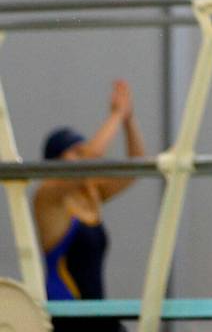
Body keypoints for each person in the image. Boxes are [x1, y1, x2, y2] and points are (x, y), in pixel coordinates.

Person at [33, 80, 146, 332]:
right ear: (55, 163)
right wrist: (116, 114)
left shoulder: (91, 194)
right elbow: (89, 161)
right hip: (65, 317)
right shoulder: (48, 197)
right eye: (75, 152)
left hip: (97, 313)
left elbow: (138, 164)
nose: (84, 154)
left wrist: (128, 119)